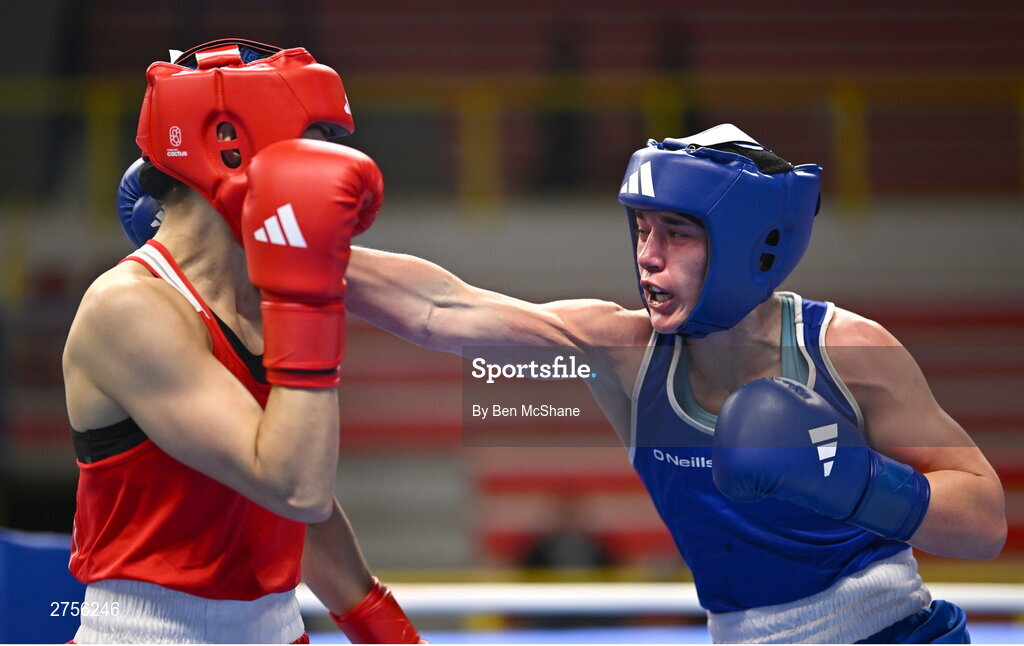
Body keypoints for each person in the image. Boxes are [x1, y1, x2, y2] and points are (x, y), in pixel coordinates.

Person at [119, 124, 1007, 642]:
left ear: (748, 244)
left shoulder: (848, 350)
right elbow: (441, 310)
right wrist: (238, 219)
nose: (647, 258)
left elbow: (984, 521)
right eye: (642, 230)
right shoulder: (625, 350)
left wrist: (854, 483)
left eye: (677, 235)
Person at [65, 39, 422, 643]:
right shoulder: (128, 307)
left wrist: (616, 333)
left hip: (280, 629)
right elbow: (292, 486)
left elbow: (447, 308)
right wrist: (304, 298)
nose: (324, 164)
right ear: (226, 145)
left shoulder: (262, 273)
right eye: (310, 142)